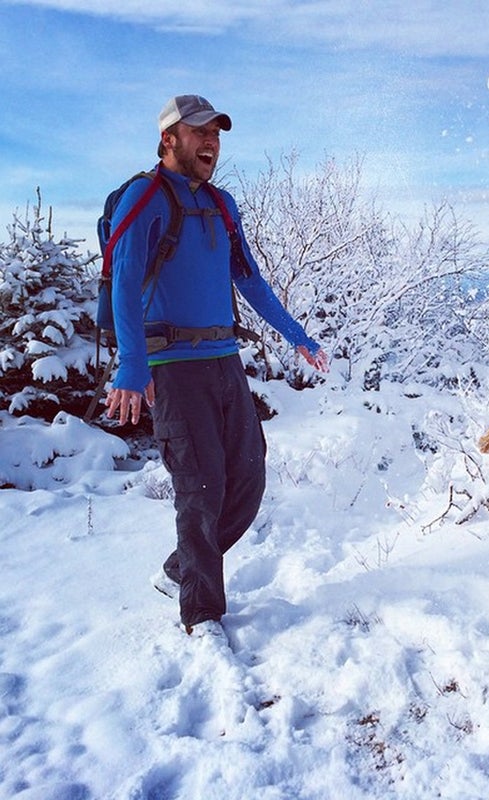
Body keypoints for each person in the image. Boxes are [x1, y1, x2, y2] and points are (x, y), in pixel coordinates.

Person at [105, 95, 328, 638]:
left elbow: (249, 280)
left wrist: (295, 334)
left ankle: (180, 570)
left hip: (224, 361)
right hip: (173, 368)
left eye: (217, 134)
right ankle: (201, 613)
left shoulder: (223, 204)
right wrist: (133, 367)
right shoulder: (146, 196)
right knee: (200, 488)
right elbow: (124, 282)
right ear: (168, 140)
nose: (211, 142)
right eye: (199, 131)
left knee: (247, 480)